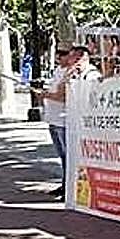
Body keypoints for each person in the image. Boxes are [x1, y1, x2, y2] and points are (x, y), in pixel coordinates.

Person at [40, 48, 76, 198]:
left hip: (64, 119)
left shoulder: (71, 73)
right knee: (62, 155)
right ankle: (64, 184)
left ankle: (69, 188)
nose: (59, 58)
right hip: (53, 118)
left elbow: (62, 96)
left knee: (68, 155)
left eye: (63, 55)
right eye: (58, 55)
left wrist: (46, 94)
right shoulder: (58, 71)